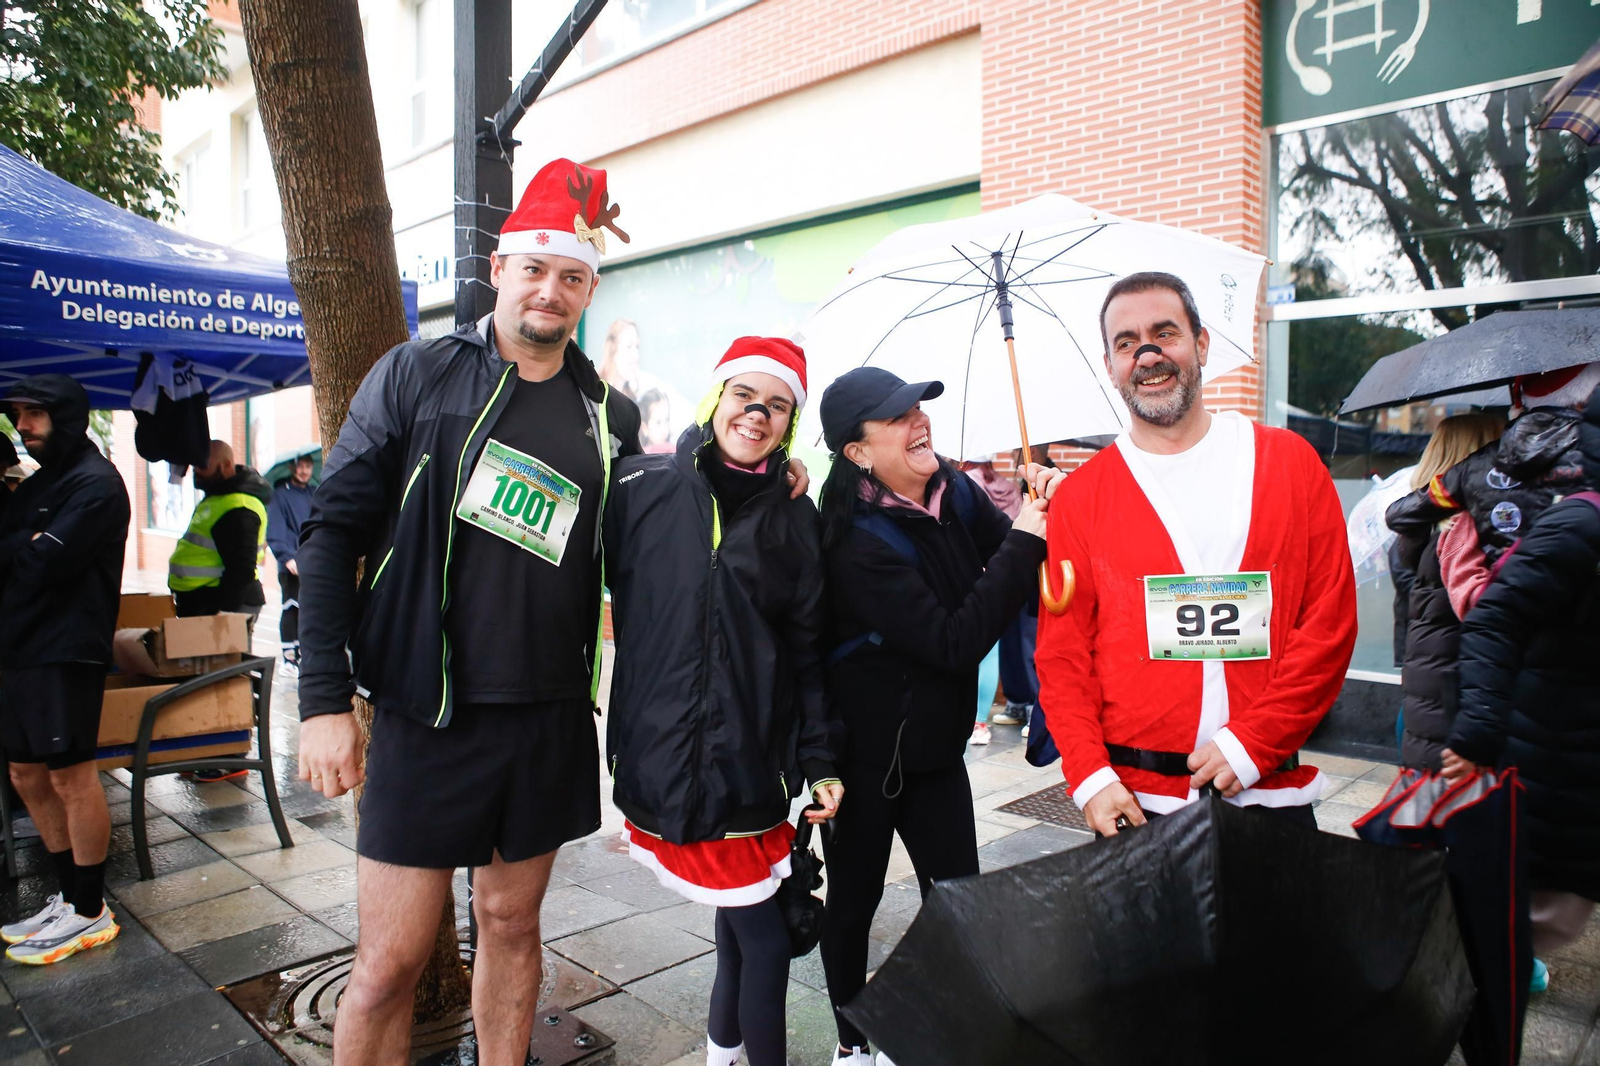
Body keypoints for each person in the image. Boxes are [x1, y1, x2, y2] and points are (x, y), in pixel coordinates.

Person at [293, 158, 643, 1066]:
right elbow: (331, 534)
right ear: (498, 269)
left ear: (589, 289)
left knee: (511, 924)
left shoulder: (611, 415)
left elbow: (651, 544)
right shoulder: (415, 376)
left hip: (547, 716)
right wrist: (324, 700)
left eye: (572, 277)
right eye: (535, 269)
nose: (552, 291)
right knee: (390, 963)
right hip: (426, 714)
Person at [1036, 271, 1357, 838]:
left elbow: (1328, 621)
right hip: (1134, 805)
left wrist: (1255, 741)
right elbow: (1064, 658)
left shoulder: (1290, 463)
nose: (1148, 354)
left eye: (1166, 333)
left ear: (1201, 344)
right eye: (1126, 342)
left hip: (1270, 795)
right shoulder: (1081, 498)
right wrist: (1088, 774)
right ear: (1110, 365)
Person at [603, 338, 841, 1066]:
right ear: (715, 400)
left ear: (789, 426)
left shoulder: (797, 519)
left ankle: (722, 1051)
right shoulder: (640, 489)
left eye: (777, 405)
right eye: (745, 396)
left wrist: (820, 761)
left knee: (750, 929)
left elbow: (807, 654)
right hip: (663, 757)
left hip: (749, 767)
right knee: (755, 931)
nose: (758, 414)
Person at [816, 367, 1055, 1066]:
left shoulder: (953, 489)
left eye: (917, 406)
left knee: (958, 906)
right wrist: (1026, 540)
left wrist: (1039, 508)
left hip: (936, 753)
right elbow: (955, 641)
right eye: (896, 416)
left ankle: (949, 1028)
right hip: (866, 760)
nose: (918, 419)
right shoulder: (856, 541)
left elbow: (1005, 560)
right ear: (857, 451)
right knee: (853, 907)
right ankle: (852, 1042)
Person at [1442, 382, 1600, 983]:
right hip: (1528, 722)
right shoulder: (1576, 519)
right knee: (1534, 897)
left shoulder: (1457, 492)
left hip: (1505, 710)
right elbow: (1487, 615)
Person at [0, 374, 130, 964]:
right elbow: (18, 551)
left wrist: (25, 548)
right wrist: (21, 543)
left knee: (70, 776)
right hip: (19, 647)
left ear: (68, 417)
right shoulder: (39, 485)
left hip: (65, 648)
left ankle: (89, 909)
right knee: (27, 774)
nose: (23, 426)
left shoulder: (97, 484)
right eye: (19, 414)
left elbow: (42, 565)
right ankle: (66, 895)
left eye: (36, 414)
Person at [1383, 414, 1505, 770]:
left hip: (1425, 688)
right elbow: (1484, 613)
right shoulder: (1462, 529)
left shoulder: (1418, 525)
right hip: (1458, 697)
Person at [168, 439, 273, 638]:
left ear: (226, 465)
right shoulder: (220, 496)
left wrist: (224, 614)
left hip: (221, 604)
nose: (196, 471)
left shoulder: (238, 506)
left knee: (225, 666)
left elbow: (241, 568)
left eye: (203, 465)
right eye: (196, 465)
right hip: (206, 601)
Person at [265, 451, 317, 676]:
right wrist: (287, 558)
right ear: (291, 468)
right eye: (300, 466)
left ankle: (305, 654)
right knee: (292, 607)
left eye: (308, 466)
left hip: (313, 560)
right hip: (292, 563)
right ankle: (289, 658)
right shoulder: (279, 494)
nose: (304, 471)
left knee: (309, 609)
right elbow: (275, 530)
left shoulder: (314, 493)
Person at [637, 387, 675, 453]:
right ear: (645, 428)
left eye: (666, 420)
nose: (664, 430)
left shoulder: (674, 451)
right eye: (658, 423)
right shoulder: (639, 455)